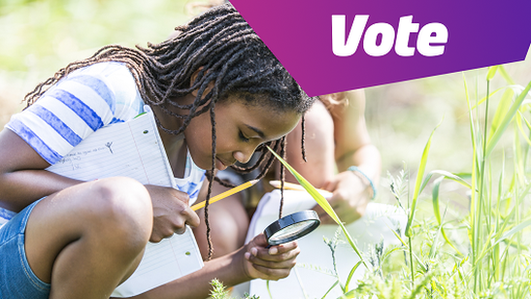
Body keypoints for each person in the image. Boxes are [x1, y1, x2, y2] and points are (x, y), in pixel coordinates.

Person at [0, 4, 315, 299]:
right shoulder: (112, 90)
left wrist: (241, 265)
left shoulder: (191, 163)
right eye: (245, 135)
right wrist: (138, 201)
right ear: (204, 83)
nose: (245, 156)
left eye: (260, 146)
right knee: (124, 204)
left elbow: (133, 292)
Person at [193, 89, 382, 259]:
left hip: (295, 174)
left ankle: (303, 256)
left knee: (311, 122)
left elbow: (356, 148)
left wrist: (362, 180)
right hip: (222, 173)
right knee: (216, 233)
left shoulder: (336, 68)